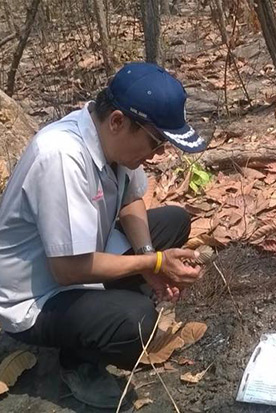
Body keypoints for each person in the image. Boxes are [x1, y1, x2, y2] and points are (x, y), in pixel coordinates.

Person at [0, 62, 207, 408]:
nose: (157, 155)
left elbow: (130, 201)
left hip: (80, 254)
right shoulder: (61, 156)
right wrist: (154, 261)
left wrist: (146, 258)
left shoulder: (110, 142)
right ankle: (77, 361)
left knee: (173, 221)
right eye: (156, 142)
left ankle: (109, 304)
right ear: (117, 122)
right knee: (138, 320)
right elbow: (68, 270)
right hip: (36, 296)